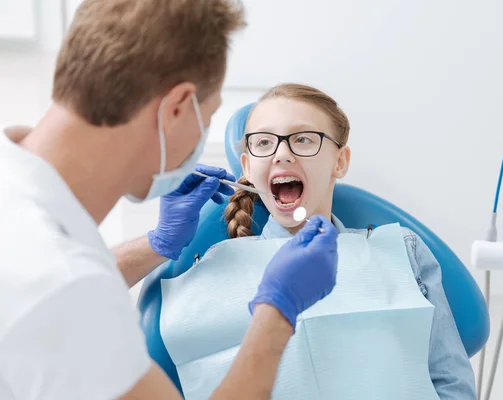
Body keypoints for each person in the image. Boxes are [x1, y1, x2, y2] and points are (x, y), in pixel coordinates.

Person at [0, 2, 339, 400]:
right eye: (209, 115)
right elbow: (62, 293)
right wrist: (277, 313)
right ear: (177, 108)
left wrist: (157, 243)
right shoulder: (61, 286)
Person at [153, 83, 477, 399]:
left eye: (303, 139)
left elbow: (452, 385)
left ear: (340, 161)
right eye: (264, 142)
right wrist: (158, 244)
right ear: (248, 166)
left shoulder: (402, 252)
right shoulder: (208, 271)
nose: (281, 153)